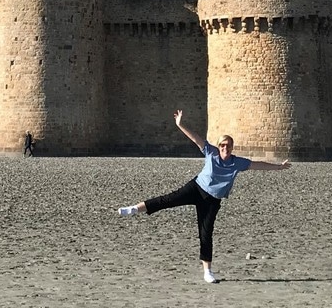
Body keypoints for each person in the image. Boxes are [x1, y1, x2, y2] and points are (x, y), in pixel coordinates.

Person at [118, 109, 291, 284]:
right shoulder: (211, 152)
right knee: (167, 200)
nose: (225, 148)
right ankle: (134, 209)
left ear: (232, 148)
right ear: (219, 146)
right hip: (196, 188)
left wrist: (278, 167)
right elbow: (195, 138)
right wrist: (180, 124)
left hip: (212, 200)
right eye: (222, 145)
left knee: (206, 233)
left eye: (228, 146)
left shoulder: (237, 162)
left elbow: (257, 165)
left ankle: (207, 271)